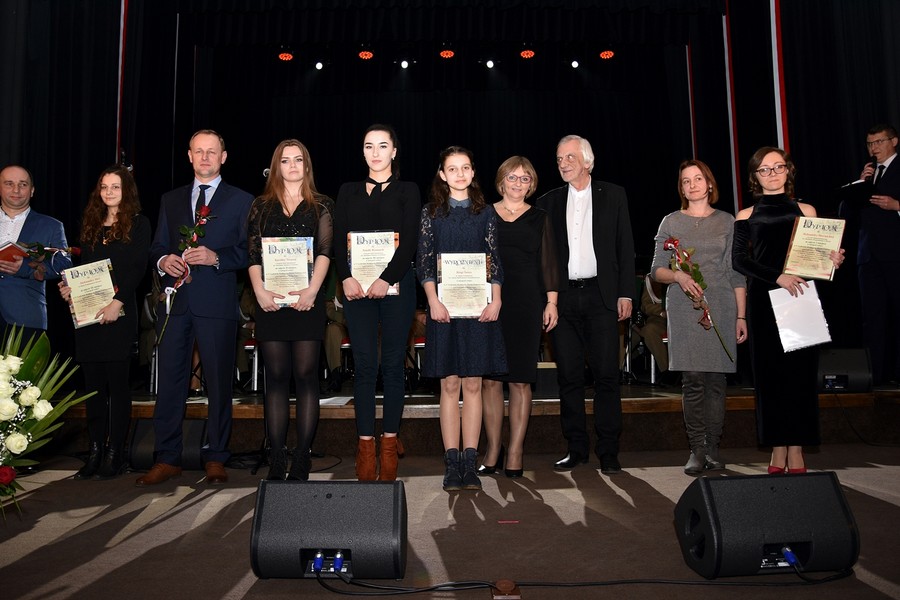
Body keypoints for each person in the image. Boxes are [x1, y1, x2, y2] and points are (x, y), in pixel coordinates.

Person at [139, 129, 253, 486]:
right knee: (170, 382)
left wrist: (216, 257)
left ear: (223, 157)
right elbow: (157, 247)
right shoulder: (170, 199)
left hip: (216, 303)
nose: (205, 157)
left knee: (218, 383)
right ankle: (167, 457)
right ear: (189, 156)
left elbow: (250, 251)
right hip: (176, 304)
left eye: (211, 152)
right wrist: (164, 261)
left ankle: (216, 455)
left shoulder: (242, 200)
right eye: (198, 151)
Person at [733, 147, 844, 473]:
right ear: (755, 176)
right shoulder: (745, 214)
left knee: (800, 378)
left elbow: (817, 259)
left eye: (778, 167)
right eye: (764, 169)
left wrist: (832, 260)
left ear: (788, 170)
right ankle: (776, 449)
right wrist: (777, 276)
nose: (772, 173)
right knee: (769, 379)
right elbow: (739, 261)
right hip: (764, 301)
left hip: (801, 298)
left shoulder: (806, 209)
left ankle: (796, 449)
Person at [536, 135, 635, 475]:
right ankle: (576, 448)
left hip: (602, 297)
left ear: (587, 162)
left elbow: (625, 246)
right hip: (562, 299)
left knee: (607, 376)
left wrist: (626, 293)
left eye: (569, 157)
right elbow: (544, 257)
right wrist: (546, 299)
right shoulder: (547, 202)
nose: (563, 163)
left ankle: (608, 449)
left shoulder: (614, 195)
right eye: (559, 158)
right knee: (569, 377)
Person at [333, 124, 420, 481]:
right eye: (369, 146)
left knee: (393, 367)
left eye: (383, 146)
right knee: (366, 367)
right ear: (363, 151)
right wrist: (345, 278)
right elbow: (338, 239)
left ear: (394, 151)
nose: (375, 152)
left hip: (397, 287)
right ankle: (366, 446)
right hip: (357, 290)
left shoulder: (408, 190)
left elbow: (410, 240)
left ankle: (389, 443)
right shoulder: (347, 190)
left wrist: (387, 278)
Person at [418, 146, 506, 492]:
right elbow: (424, 262)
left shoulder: (486, 213)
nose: (459, 174)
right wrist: (432, 301)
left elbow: (494, 260)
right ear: (442, 174)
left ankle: (470, 463)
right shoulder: (431, 213)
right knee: (450, 384)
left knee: (473, 385)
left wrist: (496, 300)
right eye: (452, 169)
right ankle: (451, 462)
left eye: (465, 167)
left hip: (478, 309)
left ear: (472, 172)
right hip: (443, 310)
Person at [650, 159, 747, 475]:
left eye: (697, 179)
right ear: (681, 188)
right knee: (692, 380)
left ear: (709, 183)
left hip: (721, 304)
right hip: (683, 306)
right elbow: (657, 270)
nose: (692, 185)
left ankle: (713, 448)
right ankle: (697, 450)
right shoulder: (671, 221)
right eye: (685, 181)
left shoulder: (727, 221)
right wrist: (678, 276)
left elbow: (736, 273)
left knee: (716, 381)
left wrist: (741, 316)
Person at [58, 166, 151, 480]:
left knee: (118, 387)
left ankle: (116, 453)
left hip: (118, 314)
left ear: (127, 191)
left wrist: (117, 302)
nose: (109, 192)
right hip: (88, 317)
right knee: (93, 388)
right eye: (104, 187)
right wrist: (70, 289)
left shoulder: (139, 224)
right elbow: (83, 269)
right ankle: (96, 450)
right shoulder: (91, 224)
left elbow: (137, 268)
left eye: (115, 186)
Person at [248, 139, 333, 481]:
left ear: (307, 165)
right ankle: (277, 457)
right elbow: (253, 254)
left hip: (307, 301)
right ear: (276, 166)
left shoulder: (322, 204)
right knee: (276, 377)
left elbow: (325, 251)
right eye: (285, 161)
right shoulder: (261, 206)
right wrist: (259, 292)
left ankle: (302, 457)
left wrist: (313, 291)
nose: (293, 166)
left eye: (298, 160)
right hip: (271, 302)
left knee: (306, 375)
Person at [480, 156, 558, 479]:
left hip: (527, 303)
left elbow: (549, 263)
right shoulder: (484, 214)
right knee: (490, 380)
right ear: (501, 181)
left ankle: (515, 451)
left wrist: (551, 302)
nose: (517, 183)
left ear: (531, 184)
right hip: (489, 303)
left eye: (524, 178)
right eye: (512, 177)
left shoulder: (540, 218)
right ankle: (492, 450)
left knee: (520, 380)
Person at [838, 124, 900, 385]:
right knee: (872, 318)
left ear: (894, 141)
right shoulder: (868, 173)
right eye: (870, 143)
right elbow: (846, 213)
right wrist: (860, 184)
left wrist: (897, 205)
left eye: (879, 142)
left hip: (895, 254)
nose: (874, 148)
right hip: (867, 256)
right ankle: (875, 376)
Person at [0, 165, 72, 343]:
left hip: (24, 316)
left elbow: (63, 265)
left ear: (32, 191)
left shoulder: (51, 226)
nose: (16, 190)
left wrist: (25, 268)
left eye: (23, 184)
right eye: (9, 183)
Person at [632, 274, 670, 376]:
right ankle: (667, 371)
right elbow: (645, 306)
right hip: (659, 319)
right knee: (649, 330)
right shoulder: (651, 279)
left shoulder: (685, 274)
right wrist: (662, 312)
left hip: (683, 318)